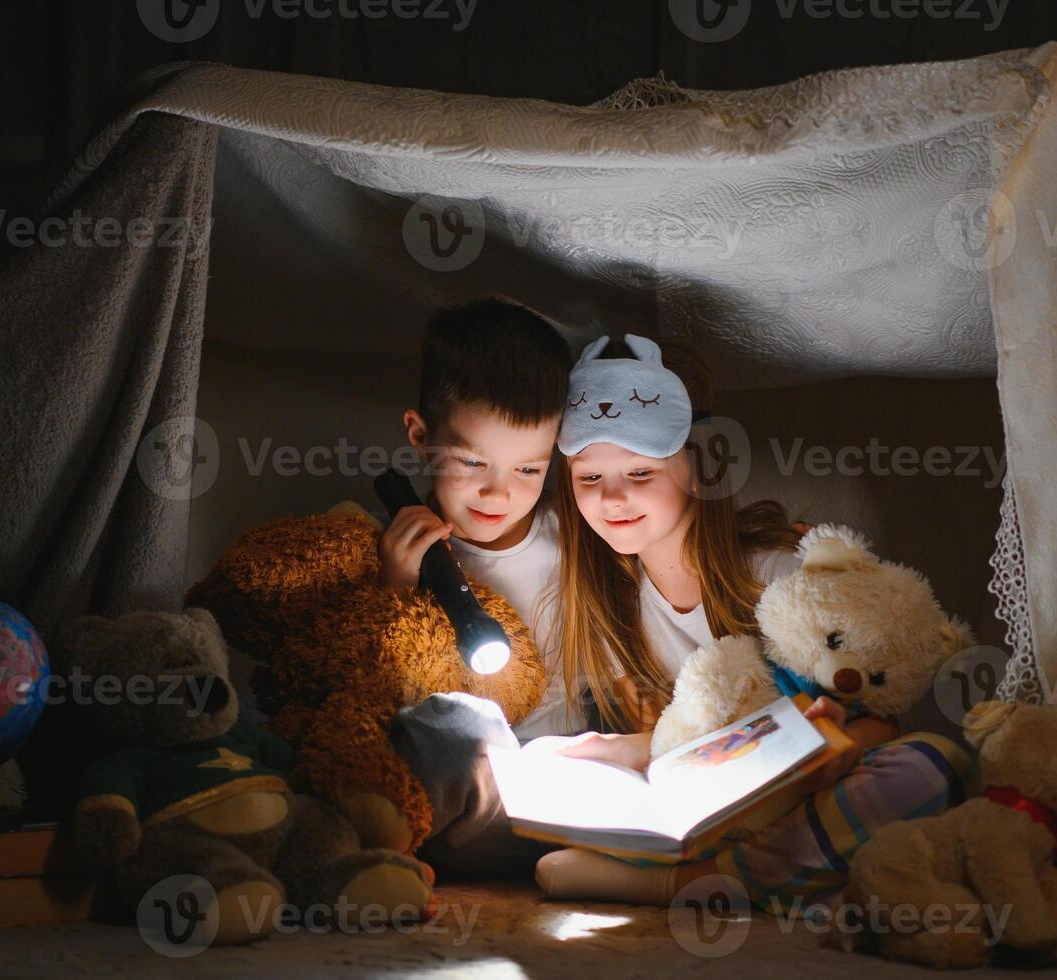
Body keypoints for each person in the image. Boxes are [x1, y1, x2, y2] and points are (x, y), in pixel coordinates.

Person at [533, 334, 970, 910]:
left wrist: (827, 747)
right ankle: (790, 875)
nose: (612, 498)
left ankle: (699, 886)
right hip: (711, 807)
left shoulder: (773, 571)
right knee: (554, 858)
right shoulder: (611, 604)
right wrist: (613, 751)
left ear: (696, 467)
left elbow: (880, 723)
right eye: (590, 479)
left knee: (935, 765)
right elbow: (669, 745)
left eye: (640, 474)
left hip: (811, 792)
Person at [382, 298, 581, 875]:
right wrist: (394, 584)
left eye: (527, 469)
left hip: (564, 780)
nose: (499, 494)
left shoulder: (573, 539)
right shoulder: (398, 549)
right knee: (451, 729)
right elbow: (374, 678)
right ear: (420, 436)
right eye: (472, 464)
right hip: (459, 794)